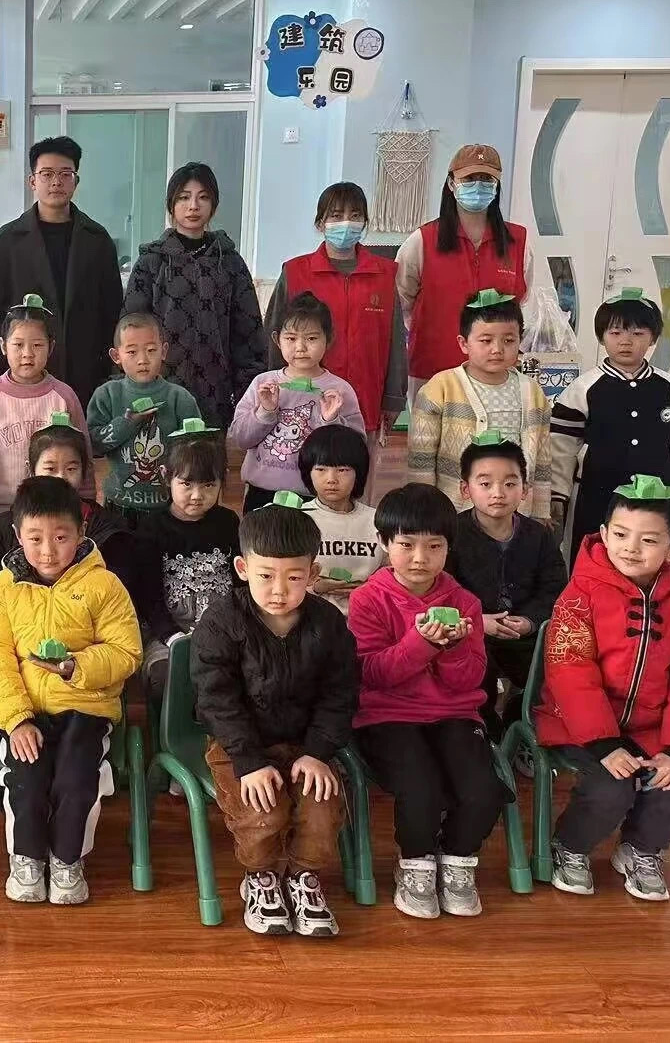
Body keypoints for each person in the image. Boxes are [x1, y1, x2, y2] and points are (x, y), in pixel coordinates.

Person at [537, 476, 670, 902]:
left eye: (649, 540)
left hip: (653, 728)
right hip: (579, 727)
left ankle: (641, 849)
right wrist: (603, 742)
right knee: (610, 787)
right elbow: (569, 669)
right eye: (621, 535)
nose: (631, 548)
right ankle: (570, 845)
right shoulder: (578, 597)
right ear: (604, 534)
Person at [192, 499, 358, 937]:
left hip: (306, 745)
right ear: (243, 569)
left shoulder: (328, 623)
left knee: (322, 810)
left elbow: (340, 694)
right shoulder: (222, 621)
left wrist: (319, 752)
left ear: (313, 574)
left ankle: (303, 878)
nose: (279, 590)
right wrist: (248, 761)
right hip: (240, 747)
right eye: (266, 576)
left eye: (294, 577)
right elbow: (216, 699)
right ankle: (261, 877)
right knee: (262, 814)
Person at [0, 476, 142, 905]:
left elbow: (127, 652)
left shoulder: (104, 586)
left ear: (81, 533)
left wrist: (75, 667)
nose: (48, 550)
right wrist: (16, 719)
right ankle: (27, 858)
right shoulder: (4, 588)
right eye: (35, 538)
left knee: (76, 777)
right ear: (17, 535)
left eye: (61, 537)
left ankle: (68, 860)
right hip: (26, 709)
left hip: (87, 707)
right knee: (25, 776)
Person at [346, 484, 508, 920]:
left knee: (483, 790)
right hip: (387, 716)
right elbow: (373, 673)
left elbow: (469, 680)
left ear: (448, 548)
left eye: (434, 546)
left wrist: (452, 649)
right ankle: (415, 863)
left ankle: (457, 859)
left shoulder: (465, 603)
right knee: (420, 788)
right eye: (406, 545)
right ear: (384, 543)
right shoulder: (367, 600)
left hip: (454, 714)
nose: (420, 558)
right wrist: (422, 645)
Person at [549, 290, 670, 546]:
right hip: (596, 492)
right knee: (591, 550)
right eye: (615, 333)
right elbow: (561, 446)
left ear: (653, 338)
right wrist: (557, 493)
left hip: (657, 494)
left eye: (637, 334)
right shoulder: (582, 389)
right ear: (601, 337)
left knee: (651, 549)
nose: (626, 342)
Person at [0, 137, 123, 411]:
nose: (56, 182)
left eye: (65, 174)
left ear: (76, 182)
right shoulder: (6, 242)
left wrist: (113, 373)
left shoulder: (98, 240)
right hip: (24, 376)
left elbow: (112, 312)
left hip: (87, 375)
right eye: (47, 174)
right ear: (32, 181)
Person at [122, 161, 265, 428]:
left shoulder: (230, 261)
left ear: (214, 205)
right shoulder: (151, 261)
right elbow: (130, 329)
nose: (193, 206)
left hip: (217, 395)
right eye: (184, 197)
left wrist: (247, 395)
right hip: (159, 393)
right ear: (171, 205)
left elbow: (249, 334)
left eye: (203, 197)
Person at [447, 433, 568, 738]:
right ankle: (485, 732)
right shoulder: (452, 535)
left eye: (510, 484)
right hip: (472, 632)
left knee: (551, 674)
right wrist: (477, 621)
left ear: (525, 490)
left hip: (524, 633)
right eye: (485, 484)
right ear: (465, 489)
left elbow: (555, 589)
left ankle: (521, 722)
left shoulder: (539, 536)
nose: (498, 493)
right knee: (475, 675)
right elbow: (442, 591)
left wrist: (529, 621)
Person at [106, 423, 239, 696]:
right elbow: (148, 598)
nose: (197, 496)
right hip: (168, 634)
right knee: (165, 677)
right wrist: (173, 636)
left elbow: (241, 583)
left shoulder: (228, 523)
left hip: (224, 630)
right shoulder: (152, 529)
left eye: (208, 485)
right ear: (166, 477)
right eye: (186, 484)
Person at [396, 144, 531, 405]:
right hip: (432, 370)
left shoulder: (519, 242)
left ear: (497, 185)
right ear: (451, 184)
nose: (478, 185)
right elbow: (401, 301)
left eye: (486, 179)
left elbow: (524, 304)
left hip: (496, 374)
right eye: (469, 179)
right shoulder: (422, 241)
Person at [266, 180, 403, 432]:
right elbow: (273, 338)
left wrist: (394, 398)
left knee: (359, 458)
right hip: (303, 402)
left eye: (355, 216)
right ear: (320, 223)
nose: (346, 223)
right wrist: (272, 390)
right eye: (336, 216)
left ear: (365, 222)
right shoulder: (295, 272)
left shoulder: (384, 275)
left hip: (365, 400)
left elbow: (395, 342)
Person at [407, 290, 552, 519]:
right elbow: (421, 461)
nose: (497, 349)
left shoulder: (533, 392)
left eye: (509, 340)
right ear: (464, 343)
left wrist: (541, 511)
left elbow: (542, 459)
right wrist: (425, 511)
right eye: (486, 340)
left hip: (517, 513)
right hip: (456, 512)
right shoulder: (440, 389)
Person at [0, 416, 129, 618]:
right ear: (31, 469)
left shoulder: (109, 529)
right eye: (50, 468)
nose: (61, 477)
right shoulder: (0, 528)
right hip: (16, 623)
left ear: (85, 470)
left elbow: (112, 598)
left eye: (71, 469)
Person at [230, 292, 365, 510]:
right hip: (262, 494)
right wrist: (265, 411)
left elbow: (356, 451)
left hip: (315, 498)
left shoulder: (340, 391)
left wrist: (331, 421)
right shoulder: (263, 383)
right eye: (291, 338)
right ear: (277, 340)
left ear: (328, 339)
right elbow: (241, 439)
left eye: (311, 338)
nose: (300, 347)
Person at [0, 293, 85, 528]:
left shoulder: (64, 396)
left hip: (54, 511)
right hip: (0, 512)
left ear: (51, 347)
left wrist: (86, 503)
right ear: (3, 346)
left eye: (37, 345)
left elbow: (84, 455)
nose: (27, 353)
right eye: (18, 345)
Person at [85, 313, 201, 518]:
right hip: (119, 504)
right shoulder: (107, 395)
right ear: (116, 356)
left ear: (164, 351)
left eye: (151, 350)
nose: (143, 360)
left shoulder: (179, 398)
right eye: (132, 352)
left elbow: (197, 452)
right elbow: (94, 445)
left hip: (169, 506)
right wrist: (126, 424)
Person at [297, 423, 385, 616]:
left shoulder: (377, 520)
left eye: (343, 470)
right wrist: (316, 587)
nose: (331, 479)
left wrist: (371, 588)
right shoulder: (298, 519)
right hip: (311, 616)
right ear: (308, 473)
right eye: (321, 469)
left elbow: (394, 573)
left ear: (358, 473)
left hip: (369, 616)